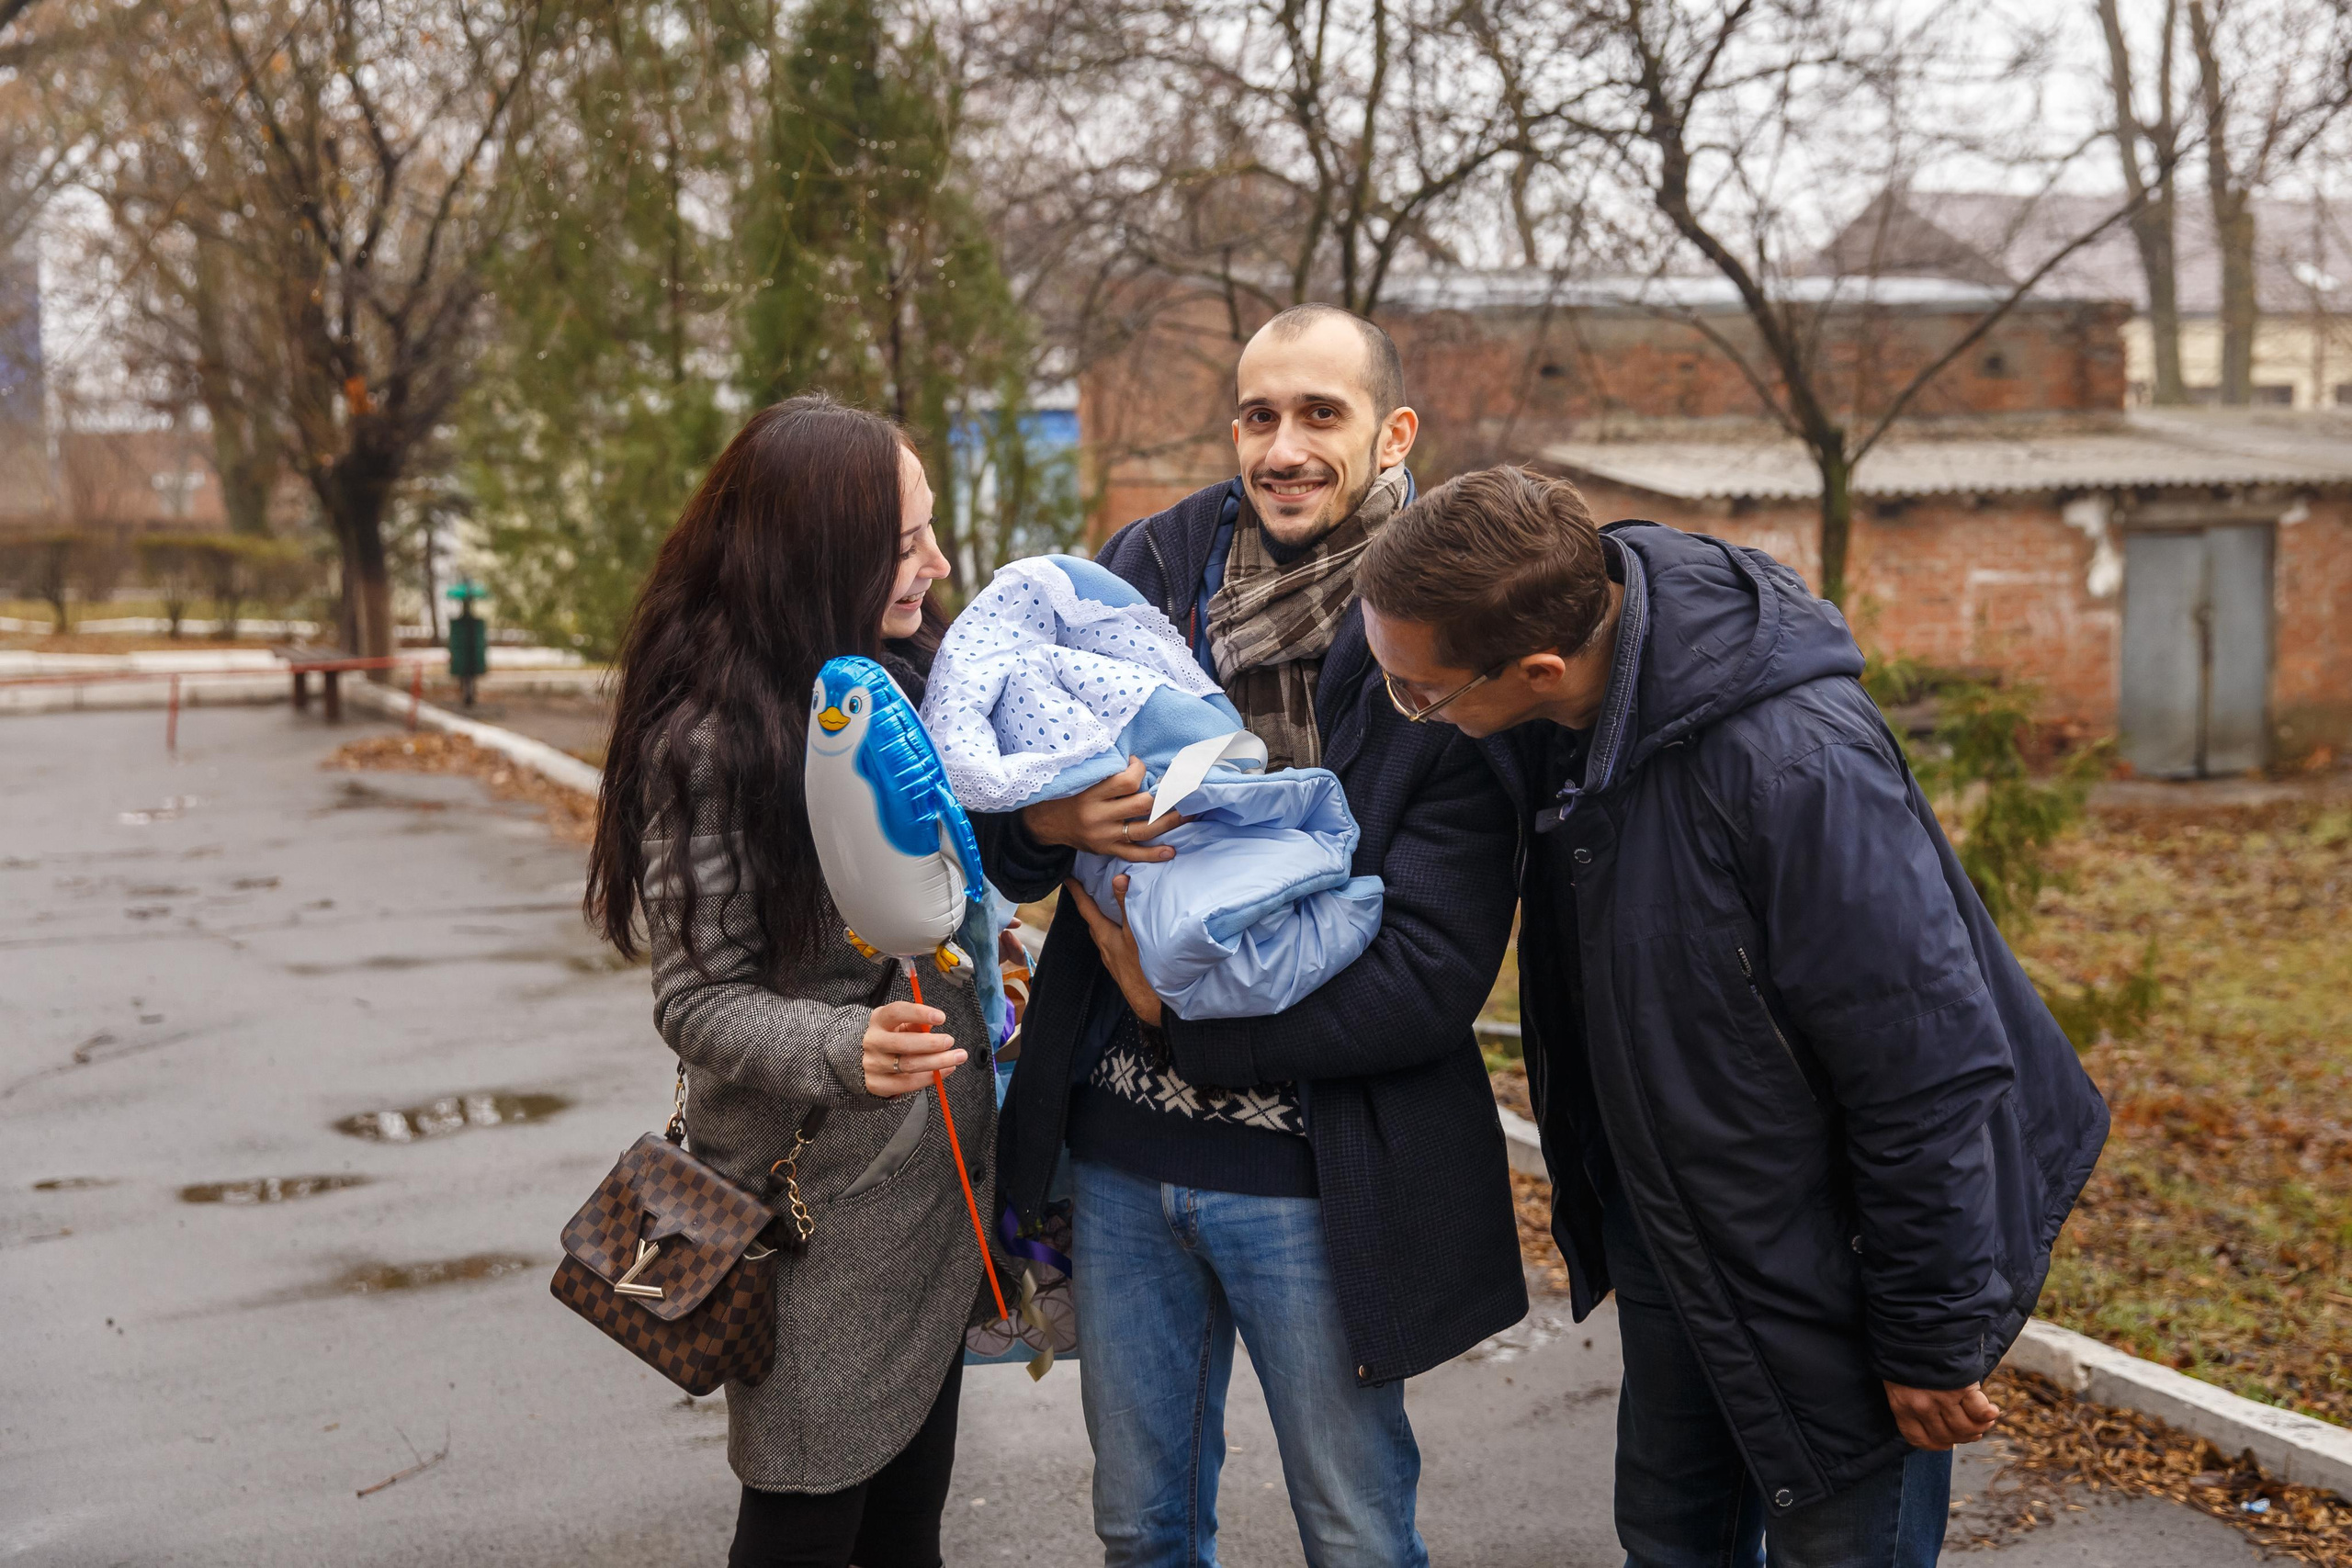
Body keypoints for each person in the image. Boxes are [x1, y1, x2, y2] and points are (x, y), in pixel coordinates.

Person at [1353, 465, 2110, 1568]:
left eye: (1418, 694)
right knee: (1669, 1543)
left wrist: (1930, 1338)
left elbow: (1929, 1070)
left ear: (1537, 669)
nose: (1408, 712)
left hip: (1840, 1275)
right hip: (1682, 1237)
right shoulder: (1567, 709)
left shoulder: (1795, 767)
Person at [979, 304, 1527, 1568]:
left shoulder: (1447, 624)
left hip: (1320, 1175)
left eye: (1320, 414)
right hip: (1118, 1161)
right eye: (1257, 415)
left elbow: (1432, 972)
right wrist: (1050, 817)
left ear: (1393, 433)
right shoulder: (1145, 571)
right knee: (1140, 1530)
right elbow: (1011, 830)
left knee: (1354, 1531)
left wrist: (1178, 1018)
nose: (1282, 448)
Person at [585, 396, 997, 1568]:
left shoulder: (910, 680)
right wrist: (840, 1048)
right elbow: (696, 1000)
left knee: (907, 1531)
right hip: (813, 1212)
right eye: (904, 542)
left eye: (930, 530)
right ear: (816, 553)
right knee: (804, 1512)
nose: (938, 563)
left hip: (935, 1189)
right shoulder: (709, 741)